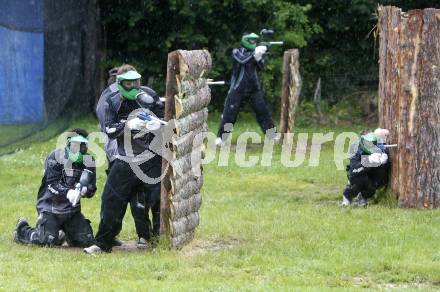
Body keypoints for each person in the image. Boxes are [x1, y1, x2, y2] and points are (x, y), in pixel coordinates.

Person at [84, 68, 164, 254]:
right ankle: (103, 243)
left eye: (136, 82)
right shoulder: (111, 101)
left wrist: (156, 124)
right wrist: (127, 124)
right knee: (111, 199)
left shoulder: (150, 96)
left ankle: (161, 241)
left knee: (157, 199)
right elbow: (109, 130)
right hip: (125, 159)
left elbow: (165, 118)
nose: (134, 87)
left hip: (151, 156)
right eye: (129, 84)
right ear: (119, 84)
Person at [14, 129, 97, 247]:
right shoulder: (55, 157)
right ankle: (22, 230)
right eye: (75, 145)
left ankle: (63, 233)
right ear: (68, 144)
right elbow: (51, 185)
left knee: (86, 241)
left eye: (82, 146)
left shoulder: (89, 161)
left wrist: (86, 190)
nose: (78, 149)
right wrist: (68, 192)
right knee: (46, 241)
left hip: (72, 212)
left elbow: (92, 189)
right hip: (49, 208)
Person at [216, 32, 276, 145]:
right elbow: (243, 60)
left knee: (263, 113)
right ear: (245, 40)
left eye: (255, 41)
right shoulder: (236, 52)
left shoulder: (254, 54)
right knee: (230, 114)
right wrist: (255, 53)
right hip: (237, 88)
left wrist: (258, 56)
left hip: (254, 89)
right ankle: (221, 138)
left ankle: (272, 136)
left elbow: (261, 66)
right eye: (251, 41)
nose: (253, 43)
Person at [341, 128, 391, 207]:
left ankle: (362, 197)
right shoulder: (355, 149)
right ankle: (347, 197)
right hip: (357, 175)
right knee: (358, 180)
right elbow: (355, 170)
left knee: (373, 185)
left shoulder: (379, 149)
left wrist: (382, 163)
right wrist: (369, 161)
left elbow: (381, 173)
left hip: (370, 177)